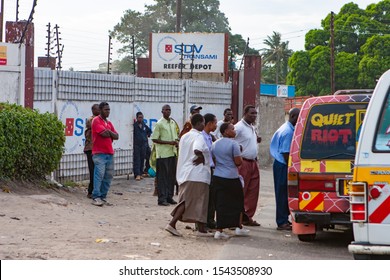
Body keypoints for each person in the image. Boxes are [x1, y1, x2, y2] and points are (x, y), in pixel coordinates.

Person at [165, 113, 212, 237]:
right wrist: (201, 157)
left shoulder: (185, 136)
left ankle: (200, 227)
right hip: (197, 174)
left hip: (185, 173)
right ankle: (173, 224)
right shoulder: (199, 136)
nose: (204, 125)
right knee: (193, 201)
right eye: (203, 122)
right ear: (198, 123)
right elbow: (197, 149)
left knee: (189, 200)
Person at [212, 122, 250, 239]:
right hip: (231, 177)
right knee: (237, 203)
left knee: (221, 204)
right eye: (232, 129)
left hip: (218, 176)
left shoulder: (215, 144)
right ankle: (238, 227)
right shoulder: (234, 144)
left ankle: (219, 230)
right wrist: (241, 158)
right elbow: (238, 162)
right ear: (225, 132)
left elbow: (213, 159)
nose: (235, 131)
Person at [270, 107, 300, 231]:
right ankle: (282, 221)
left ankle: (284, 219)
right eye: (299, 118)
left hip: (280, 164)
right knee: (282, 193)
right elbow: (286, 153)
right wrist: (292, 168)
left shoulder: (287, 128)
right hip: (283, 165)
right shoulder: (288, 132)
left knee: (284, 193)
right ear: (293, 117)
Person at [234, 105, 261, 226]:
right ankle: (236, 218)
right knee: (241, 191)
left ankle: (247, 217)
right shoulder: (238, 127)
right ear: (245, 113)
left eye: (255, 114)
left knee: (253, 192)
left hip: (253, 162)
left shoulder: (252, 127)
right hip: (243, 162)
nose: (254, 116)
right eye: (252, 113)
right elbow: (229, 139)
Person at [91, 102, 119, 206]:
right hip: (99, 153)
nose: (108, 112)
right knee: (99, 174)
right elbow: (104, 133)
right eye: (106, 110)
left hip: (109, 152)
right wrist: (110, 133)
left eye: (109, 110)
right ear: (101, 110)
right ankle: (96, 196)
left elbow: (116, 136)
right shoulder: (96, 121)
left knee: (108, 175)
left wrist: (109, 132)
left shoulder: (109, 123)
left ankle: (103, 196)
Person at [151, 104, 179, 206]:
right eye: (166, 110)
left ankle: (169, 196)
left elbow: (175, 137)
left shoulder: (172, 123)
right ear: (162, 111)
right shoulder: (159, 124)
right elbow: (154, 139)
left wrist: (176, 142)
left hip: (172, 153)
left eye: (169, 110)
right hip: (163, 154)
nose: (168, 111)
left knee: (171, 177)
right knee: (162, 177)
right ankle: (161, 198)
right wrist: (169, 142)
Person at [202, 113, 218, 229]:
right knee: (206, 196)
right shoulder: (202, 136)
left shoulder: (210, 137)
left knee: (212, 196)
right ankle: (204, 221)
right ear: (209, 124)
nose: (216, 125)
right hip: (205, 169)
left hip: (212, 168)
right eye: (215, 123)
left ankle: (210, 220)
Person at [84, 104, 100, 198]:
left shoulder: (100, 120)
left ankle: (96, 190)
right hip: (91, 149)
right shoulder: (91, 120)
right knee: (93, 170)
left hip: (97, 149)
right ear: (93, 110)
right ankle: (91, 191)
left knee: (98, 171)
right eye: (98, 109)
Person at [133, 112, 151, 181]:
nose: (141, 119)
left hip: (144, 145)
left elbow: (149, 131)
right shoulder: (135, 126)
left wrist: (148, 134)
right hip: (137, 145)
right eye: (139, 117)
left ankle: (141, 173)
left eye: (142, 117)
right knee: (137, 159)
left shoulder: (144, 125)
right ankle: (137, 174)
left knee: (142, 159)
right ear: (137, 118)